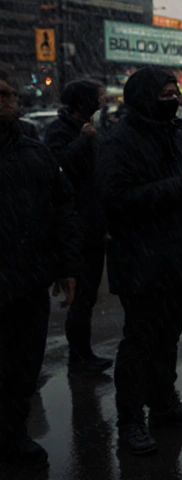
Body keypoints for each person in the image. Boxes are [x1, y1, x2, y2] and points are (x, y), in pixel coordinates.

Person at [99, 67, 182, 456]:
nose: (175, 99)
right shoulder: (121, 141)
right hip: (142, 260)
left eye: (176, 93)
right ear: (146, 97)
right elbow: (117, 201)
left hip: (179, 256)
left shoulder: (178, 134)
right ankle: (130, 422)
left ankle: (164, 405)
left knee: (168, 339)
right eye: (166, 93)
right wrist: (180, 187)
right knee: (140, 343)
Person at [0, 70, 79, 469]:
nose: (8, 100)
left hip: (28, 281)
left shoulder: (35, 152)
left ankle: (13, 435)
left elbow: (62, 208)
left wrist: (66, 265)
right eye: (0, 94)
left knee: (23, 367)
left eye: (10, 94)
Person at [42, 79, 113, 375]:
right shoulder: (60, 131)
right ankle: (79, 357)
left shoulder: (95, 129)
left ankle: (82, 354)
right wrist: (82, 140)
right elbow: (57, 168)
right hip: (76, 225)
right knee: (81, 295)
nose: (103, 99)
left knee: (89, 294)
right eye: (97, 95)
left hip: (95, 223)